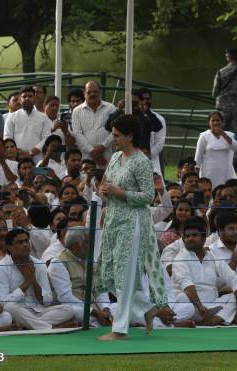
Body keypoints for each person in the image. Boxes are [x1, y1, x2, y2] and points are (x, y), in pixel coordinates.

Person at [96, 115, 169, 341]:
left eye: (117, 135)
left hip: (132, 221)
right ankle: (145, 309)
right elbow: (106, 183)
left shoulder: (142, 161)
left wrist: (121, 193)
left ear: (129, 136)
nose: (113, 139)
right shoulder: (116, 157)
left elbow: (148, 196)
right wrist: (104, 190)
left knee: (125, 274)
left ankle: (120, 329)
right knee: (109, 273)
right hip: (113, 220)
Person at [171, 216, 237, 326]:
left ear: (203, 239)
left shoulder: (212, 257)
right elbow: (187, 285)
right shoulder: (180, 258)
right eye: (187, 236)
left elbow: (235, 281)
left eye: (194, 235)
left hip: (212, 306)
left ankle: (213, 321)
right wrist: (200, 306)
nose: (189, 239)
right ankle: (221, 318)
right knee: (186, 303)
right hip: (191, 305)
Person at [0, 228, 75, 330]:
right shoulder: (1, 268)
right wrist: (26, 282)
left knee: (68, 310)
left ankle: (28, 326)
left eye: (27, 241)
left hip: (39, 312)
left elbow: (47, 301)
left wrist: (33, 281)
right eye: (20, 242)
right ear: (9, 247)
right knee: (9, 307)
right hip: (18, 312)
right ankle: (51, 328)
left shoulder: (39, 264)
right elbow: (2, 303)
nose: (25, 245)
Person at [48, 227, 115, 327]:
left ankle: (106, 320)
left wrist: (105, 309)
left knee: (122, 308)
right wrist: (96, 313)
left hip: (95, 307)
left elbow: (100, 290)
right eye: (87, 243)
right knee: (73, 311)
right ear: (76, 245)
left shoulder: (91, 261)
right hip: (74, 307)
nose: (91, 246)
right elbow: (66, 298)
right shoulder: (58, 263)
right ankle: (103, 322)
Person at [71, 81, 116, 167]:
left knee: (107, 179)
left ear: (100, 92)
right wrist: (92, 151)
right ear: (84, 93)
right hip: (86, 157)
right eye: (89, 92)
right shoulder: (77, 111)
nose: (92, 94)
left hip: (106, 155)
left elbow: (114, 131)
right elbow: (77, 133)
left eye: (95, 92)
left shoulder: (110, 108)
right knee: (86, 179)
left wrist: (103, 146)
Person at [3, 87, 53, 163]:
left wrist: (31, 152)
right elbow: (7, 136)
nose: (27, 99)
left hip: (38, 158)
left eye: (30, 96)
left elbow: (47, 138)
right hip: (16, 157)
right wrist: (16, 151)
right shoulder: (12, 117)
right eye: (24, 96)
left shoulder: (43, 117)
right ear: (20, 99)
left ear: (35, 98)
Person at [194, 111, 237, 188]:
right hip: (209, 172)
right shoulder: (204, 136)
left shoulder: (229, 135)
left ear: (222, 122)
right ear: (209, 122)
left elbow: (236, 147)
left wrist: (223, 134)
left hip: (226, 171)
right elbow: (198, 157)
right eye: (213, 120)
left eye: (218, 120)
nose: (215, 123)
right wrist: (197, 175)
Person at [138, 88, 166, 175]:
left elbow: (159, 144)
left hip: (152, 161)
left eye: (148, 99)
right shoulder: (131, 116)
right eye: (143, 99)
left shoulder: (159, 119)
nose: (146, 101)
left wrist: (145, 155)